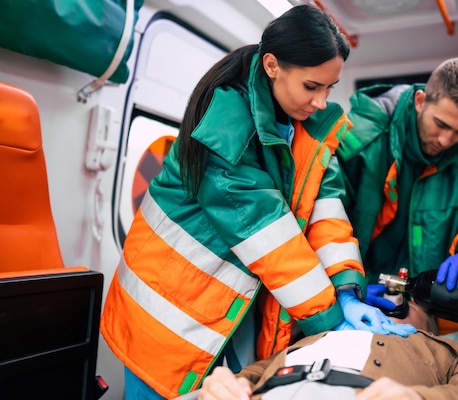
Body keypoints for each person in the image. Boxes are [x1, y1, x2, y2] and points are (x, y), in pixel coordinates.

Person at [100, 5, 414, 400]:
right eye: (311, 86)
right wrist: (332, 320)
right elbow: (269, 237)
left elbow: (327, 215)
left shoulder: (309, 128)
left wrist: (348, 291)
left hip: (228, 298)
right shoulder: (225, 128)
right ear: (271, 66)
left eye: (330, 88)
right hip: (168, 306)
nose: (321, 102)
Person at [336, 58, 458, 315]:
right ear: (420, 101)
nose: (446, 140)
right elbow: (323, 219)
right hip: (351, 296)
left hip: (417, 303)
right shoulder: (361, 138)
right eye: (441, 124)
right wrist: (346, 288)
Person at [197, 305, 458, 400]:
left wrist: (419, 397)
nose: (386, 309)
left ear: (428, 327)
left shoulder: (441, 348)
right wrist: (224, 382)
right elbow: (257, 371)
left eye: (405, 307)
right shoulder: (316, 337)